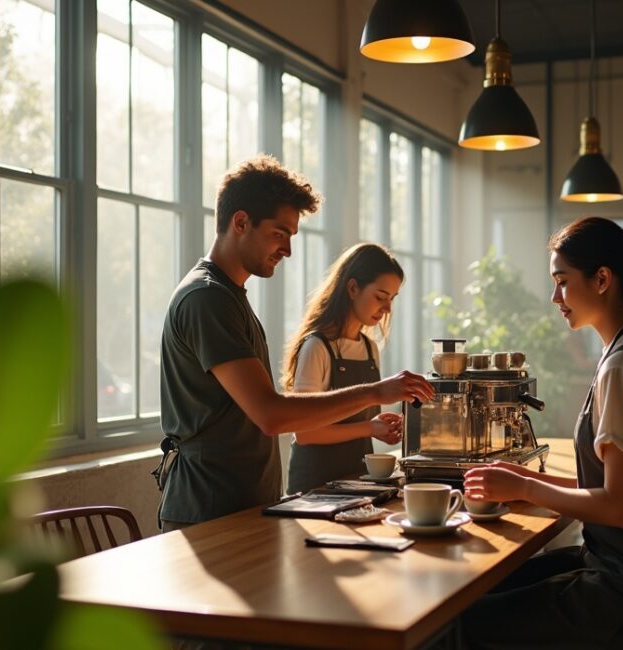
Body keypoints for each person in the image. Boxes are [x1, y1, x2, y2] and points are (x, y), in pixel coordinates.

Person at [461, 217, 623, 649]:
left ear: (601, 279)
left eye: (561, 281)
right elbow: (610, 486)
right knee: (485, 590)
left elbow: (619, 507)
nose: (554, 297)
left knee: (464, 625)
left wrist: (523, 484)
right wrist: (525, 483)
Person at [155, 156, 434, 531]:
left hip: (243, 504)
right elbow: (272, 415)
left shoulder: (230, 297)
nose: (286, 249)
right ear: (240, 222)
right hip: (209, 508)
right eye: (279, 233)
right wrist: (374, 393)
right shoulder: (207, 299)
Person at [282, 243, 405, 493]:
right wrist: (370, 428)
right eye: (380, 297)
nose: (388, 308)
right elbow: (305, 433)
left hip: (358, 482)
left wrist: (380, 423)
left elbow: (357, 420)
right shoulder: (317, 347)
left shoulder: (370, 349)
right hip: (314, 491)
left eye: (391, 299)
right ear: (352, 288)